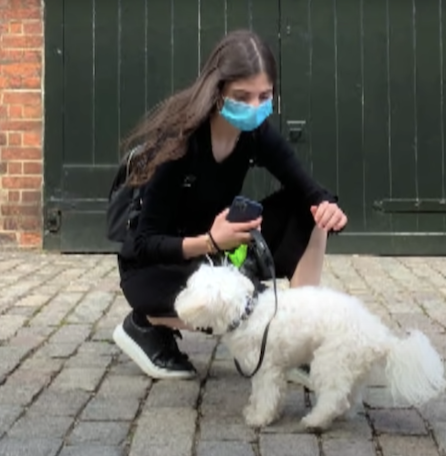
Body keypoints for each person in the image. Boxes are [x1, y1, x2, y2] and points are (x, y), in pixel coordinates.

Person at [112, 29, 348, 381]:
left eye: (264, 96)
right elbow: (144, 244)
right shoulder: (178, 144)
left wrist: (327, 208)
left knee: (308, 212)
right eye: (242, 96)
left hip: (215, 253)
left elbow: (310, 191)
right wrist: (211, 241)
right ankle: (144, 322)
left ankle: (298, 341)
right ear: (217, 91)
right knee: (240, 309)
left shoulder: (256, 133)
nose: (255, 107)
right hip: (156, 267)